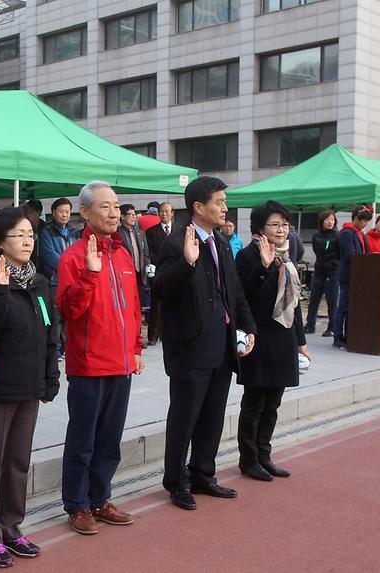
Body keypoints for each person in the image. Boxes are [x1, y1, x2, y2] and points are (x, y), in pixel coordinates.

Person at [152, 175, 256, 512]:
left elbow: (234, 290)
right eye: (219, 202)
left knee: (212, 415)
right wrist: (187, 262)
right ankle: (177, 481)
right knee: (184, 416)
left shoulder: (221, 242)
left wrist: (248, 326)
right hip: (191, 346)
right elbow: (163, 290)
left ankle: (202, 474)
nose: (225, 207)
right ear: (198, 207)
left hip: (222, 344)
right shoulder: (175, 243)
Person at [0, 207, 60, 567]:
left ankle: (11, 527)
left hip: (28, 386)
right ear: (0, 244)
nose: (27, 240)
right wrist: (2, 292)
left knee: (18, 462)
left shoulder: (38, 283)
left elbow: (50, 333)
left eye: (30, 235)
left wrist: (49, 377)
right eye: (19, 235)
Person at [57, 180, 143, 535]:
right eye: (104, 206)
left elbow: (134, 309)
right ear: (85, 212)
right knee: (83, 439)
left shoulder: (123, 254)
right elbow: (70, 310)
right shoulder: (73, 257)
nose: (113, 212)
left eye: (116, 205)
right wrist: (91, 273)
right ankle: (77, 506)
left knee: (110, 439)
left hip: (121, 362)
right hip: (89, 364)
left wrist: (136, 349)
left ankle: (99, 498)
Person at [236, 201, 310, 482]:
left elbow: (295, 303)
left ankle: (265, 455)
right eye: (275, 224)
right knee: (254, 402)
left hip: (283, 336)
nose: (282, 230)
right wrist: (265, 267)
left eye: (285, 224)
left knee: (273, 403)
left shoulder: (287, 257)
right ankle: (249, 459)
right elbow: (243, 297)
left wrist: (301, 341)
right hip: (259, 337)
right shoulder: (247, 256)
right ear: (259, 228)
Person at [332, 206, 372, 349]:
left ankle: (350, 335)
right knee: (343, 306)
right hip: (348, 275)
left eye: (367, 221)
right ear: (355, 218)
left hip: (358, 276)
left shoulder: (361, 234)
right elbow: (350, 255)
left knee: (351, 307)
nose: (365, 224)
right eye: (363, 221)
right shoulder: (347, 233)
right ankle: (337, 336)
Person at [39, 197, 74, 356]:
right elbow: (50, 257)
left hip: (71, 280)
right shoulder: (46, 231)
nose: (65, 215)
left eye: (67, 211)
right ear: (53, 212)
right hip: (53, 280)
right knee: (54, 317)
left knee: (69, 315)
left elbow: (77, 254)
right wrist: (70, 266)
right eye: (61, 211)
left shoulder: (73, 231)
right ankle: (54, 349)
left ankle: (68, 347)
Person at [305, 210, 340, 336]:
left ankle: (332, 327)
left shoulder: (337, 236)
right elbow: (317, 251)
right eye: (327, 219)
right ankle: (310, 325)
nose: (330, 222)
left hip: (332, 272)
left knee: (332, 301)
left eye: (332, 219)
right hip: (319, 271)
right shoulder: (316, 235)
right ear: (321, 221)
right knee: (313, 300)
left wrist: (334, 265)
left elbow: (339, 254)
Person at [145, 201, 173, 346]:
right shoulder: (151, 232)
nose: (164, 214)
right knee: (157, 304)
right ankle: (154, 334)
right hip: (159, 271)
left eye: (166, 211)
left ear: (172, 213)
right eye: (161, 211)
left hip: (175, 272)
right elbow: (150, 252)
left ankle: (170, 332)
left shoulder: (180, 230)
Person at [117, 203, 148, 317]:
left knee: (138, 306)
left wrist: (147, 265)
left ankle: (137, 331)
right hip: (125, 275)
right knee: (126, 305)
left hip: (139, 274)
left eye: (134, 214)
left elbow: (145, 252)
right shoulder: (117, 233)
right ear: (122, 216)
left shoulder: (140, 233)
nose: (133, 217)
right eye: (130, 214)